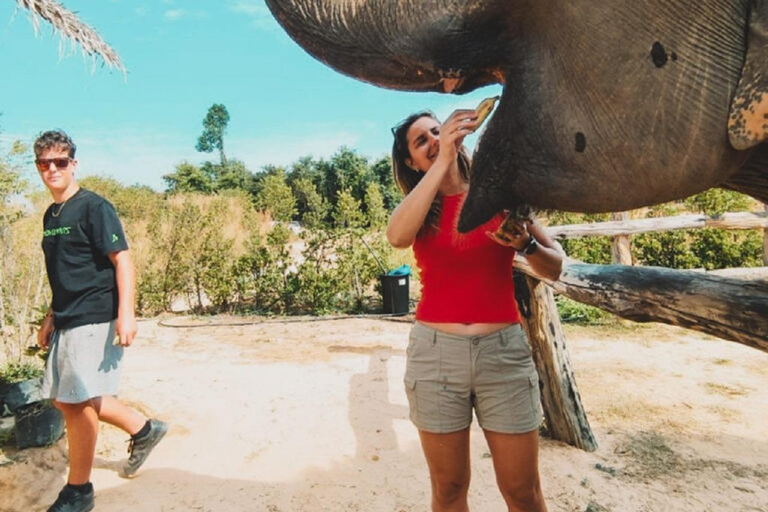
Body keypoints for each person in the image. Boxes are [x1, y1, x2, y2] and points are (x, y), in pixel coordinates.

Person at [387, 109, 564, 512]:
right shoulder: (421, 206)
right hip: (435, 358)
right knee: (449, 490)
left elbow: (555, 265)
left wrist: (526, 246)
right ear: (412, 163)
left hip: (503, 355)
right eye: (422, 142)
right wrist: (443, 161)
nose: (434, 140)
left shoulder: (497, 192)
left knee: (522, 492)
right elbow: (396, 236)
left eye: (437, 131)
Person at [34, 130, 168, 512]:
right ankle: (144, 430)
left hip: (95, 314)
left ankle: (79, 491)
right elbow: (62, 271)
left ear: (73, 164)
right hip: (67, 316)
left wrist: (127, 313)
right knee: (73, 398)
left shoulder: (94, 207)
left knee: (75, 403)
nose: (53, 169)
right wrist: (50, 316)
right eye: (45, 163)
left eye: (60, 162)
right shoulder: (52, 214)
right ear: (39, 167)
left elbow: (122, 260)